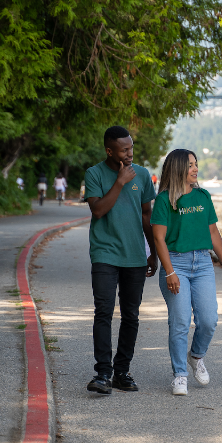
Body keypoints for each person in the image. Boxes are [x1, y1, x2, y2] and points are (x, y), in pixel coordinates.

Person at [151, 149, 222, 396]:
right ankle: (180, 374)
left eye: (196, 164)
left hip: (204, 263)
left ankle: (196, 356)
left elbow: (213, 232)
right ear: (177, 169)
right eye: (190, 165)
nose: (196, 169)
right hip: (176, 263)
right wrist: (169, 271)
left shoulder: (203, 196)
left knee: (208, 320)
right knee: (180, 322)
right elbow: (158, 237)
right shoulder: (165, 200)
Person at [83, 126, 158, 395]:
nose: (130, 153)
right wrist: (120, 182)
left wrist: (154, 252)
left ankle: (122, 371)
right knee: (103, 311)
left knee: (131, 315)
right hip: (104, 253)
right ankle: (103, 373)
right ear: (109, 151)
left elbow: (147, 215)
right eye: (124, 149)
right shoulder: (94, 174)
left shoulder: (143, 175)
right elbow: (99, 210)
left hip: (135, 256)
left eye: (131, 148)